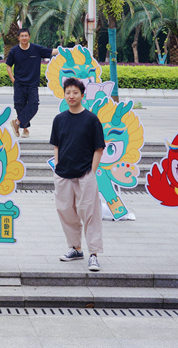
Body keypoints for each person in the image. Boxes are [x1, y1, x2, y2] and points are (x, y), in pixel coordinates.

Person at [50, 77, 106, 272]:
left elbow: (99, 148)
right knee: (66, 212)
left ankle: (94, 254)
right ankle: (75, 248)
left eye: (75, 92)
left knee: (90, 213)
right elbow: (56, 145)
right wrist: (57, 166)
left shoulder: (91, 119)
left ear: (82, 95)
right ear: (64, 95)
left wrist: (92, 169)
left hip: (85, 174)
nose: (71, 96)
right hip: (63, 174)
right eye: (68, 93)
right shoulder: (59, 119)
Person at [5, 28, 58, 137]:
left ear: (29, 37)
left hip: (32, 84)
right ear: (18, 38)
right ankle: (25, 129)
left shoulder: (36, 49)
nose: (24, 38)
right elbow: (8, 66)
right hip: (19, 83)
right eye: (22, 36)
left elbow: (52, 51)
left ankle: (17, 123)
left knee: (34, 105)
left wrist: (68, 50)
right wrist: (13, 79)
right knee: (20, 106)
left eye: (26, 36)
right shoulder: (14, 51)